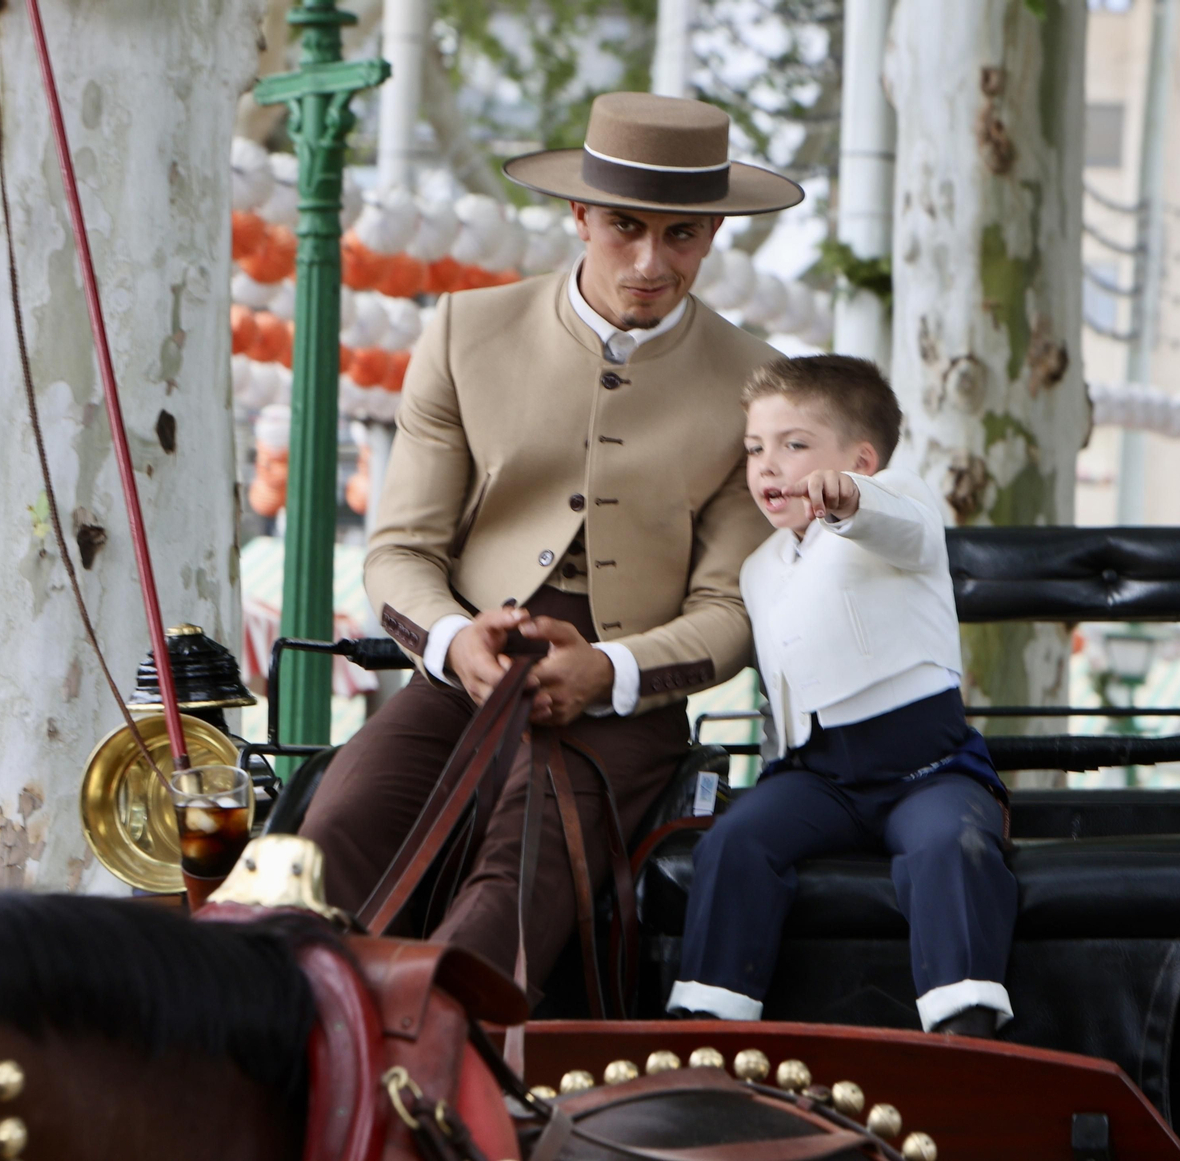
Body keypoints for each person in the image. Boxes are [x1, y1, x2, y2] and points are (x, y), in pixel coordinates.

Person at [298, 91, 804, 1002]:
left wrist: (608, 671)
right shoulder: (464, 331)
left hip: (628, 704)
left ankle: (437, 1069)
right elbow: (400, 550)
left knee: (514, 881)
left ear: (715, 232)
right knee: (331, 835)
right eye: (625, 227)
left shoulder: (758, 386)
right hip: (459, 677)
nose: (650, 262)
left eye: (682, 235)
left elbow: (730, 609)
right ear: (579, 214)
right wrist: (455, 641)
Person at [666, 355, 1017, 1036]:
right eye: (755, 449)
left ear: (862, 459)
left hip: (927, 769)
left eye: (794, 445)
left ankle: (965, 1028)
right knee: (735, 842)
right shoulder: (759, 566)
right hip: (818, 777)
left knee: (951, 846)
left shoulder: (897, 503)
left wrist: (853, 498)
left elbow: (899, 523)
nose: (768, 466)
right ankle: (709, 1024)